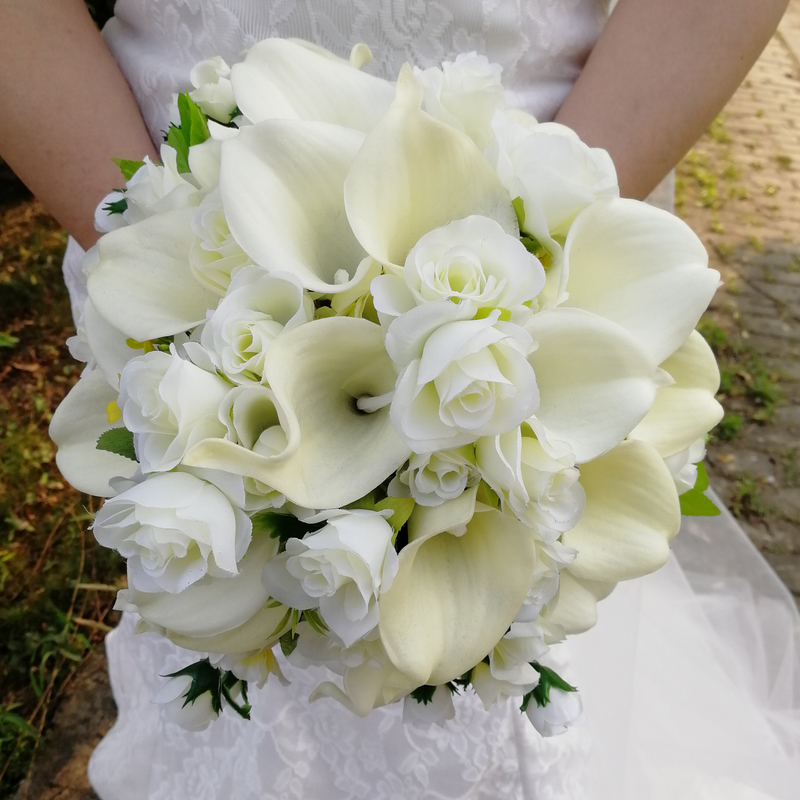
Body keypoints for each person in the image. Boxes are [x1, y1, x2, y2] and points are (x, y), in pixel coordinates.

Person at [1, 1, 799, 798]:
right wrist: (147, 232)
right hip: (178, 224)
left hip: (555, 188)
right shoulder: (171, 252)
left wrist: (541, 240)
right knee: (226, 644)